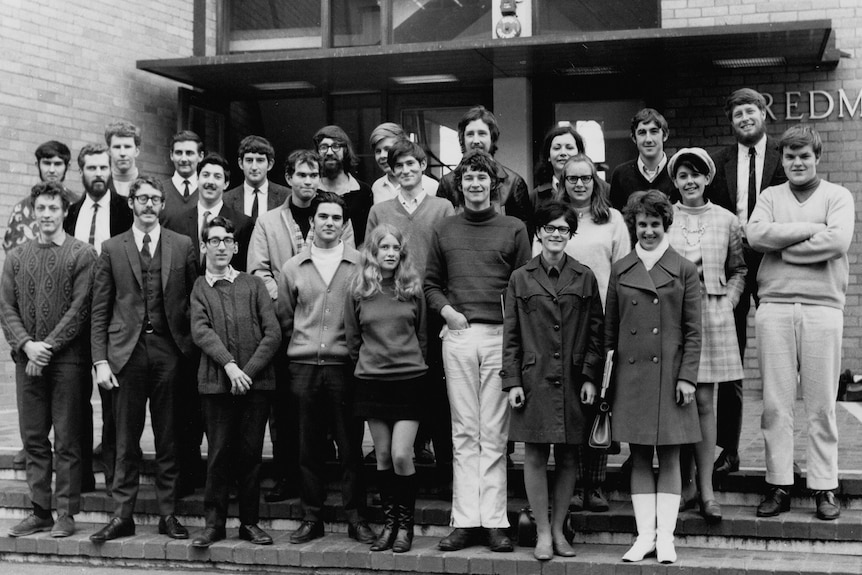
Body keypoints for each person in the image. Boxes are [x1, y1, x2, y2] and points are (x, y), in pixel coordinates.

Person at [424, 149, 531, 553]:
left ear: (493, 184)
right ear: (458, 185)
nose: (474, 184)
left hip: (500, 337)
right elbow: (431, 283)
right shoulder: (445, 229)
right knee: (464, 431)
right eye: (467, 178)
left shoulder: (515, 228)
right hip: (460, 333)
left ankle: (496, 522)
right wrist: (448, 313)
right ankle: (465, 520)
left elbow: (524, 287)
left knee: (495, 433)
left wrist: (512, 336)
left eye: (481, 178)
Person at [747, 125, 854, 521]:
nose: (796, 162)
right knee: (776, 403)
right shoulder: (770, 196)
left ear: (817, 157)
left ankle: (825, 487)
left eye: (804, 155)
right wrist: (811, 230)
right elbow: (756, 234)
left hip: (823, 308)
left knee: (821, 403)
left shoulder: (837, 196)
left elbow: (838, 242)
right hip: (774, 306)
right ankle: (779, 484)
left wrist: (786, 250)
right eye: (789, 156)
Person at [89, 176, 198, 542]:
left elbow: (191, 302)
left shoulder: (182, 245)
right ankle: (123, 515)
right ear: (132, 203)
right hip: (126, 354)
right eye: (142, 198)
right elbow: (100, 310)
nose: (149, 204)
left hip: (170, 352)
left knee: (169, 438)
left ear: (162, 205)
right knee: (125, 440)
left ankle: (168, 515)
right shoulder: (111, 248)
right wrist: (100, 361)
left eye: (155, 199)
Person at [247, 150, 355, 503]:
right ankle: (288, 478)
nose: (308, 181)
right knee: (288, 415)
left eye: (314, 176)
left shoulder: (336, 213)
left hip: (333, 332)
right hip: (285, 327)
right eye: (302, 175)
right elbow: (259, 271)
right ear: (289, 178)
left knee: (334, 424)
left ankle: (337, 492)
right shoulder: (269, 221)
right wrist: (291, 293)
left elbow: (349, 272)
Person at [503, 201, 604, 561]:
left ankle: (560, 529)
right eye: (550, 228)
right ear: (539, 232)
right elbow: (511, 334)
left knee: (567, 457)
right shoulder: (521, 278)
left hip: (574, 379)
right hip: (534, 378)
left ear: (571, 234)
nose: (556, 235)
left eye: (563, 229)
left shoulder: (585, 276)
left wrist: (592, 376)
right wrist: (512, 381)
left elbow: (596, 332)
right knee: (533, 454)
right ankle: (542, 533)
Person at [606, 190, 702, 564]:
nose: (648, 231)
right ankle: (644, 536)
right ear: (634, 226)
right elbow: (611, 332)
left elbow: (693, 331)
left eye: (655, 225)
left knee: (672, 457)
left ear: (666, 226)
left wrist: (687, 378)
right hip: (632, 379)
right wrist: (608, 383)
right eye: (642, 224)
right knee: (640, 457)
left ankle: (666, 539)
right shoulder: (621, 269)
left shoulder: (683, 268)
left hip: (671, 377)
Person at [0, 182, 97, 539]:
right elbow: (6, 306)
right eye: (40, 208)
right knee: (34, 438)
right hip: (27, 361)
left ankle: (66, 513)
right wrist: (27, 346)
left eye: (53, 208)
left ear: (64, 211)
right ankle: (40, 510)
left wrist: (48, 346)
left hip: (68, 362)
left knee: (68, 439)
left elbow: (80, 308)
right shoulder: (16, 256)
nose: (46, 215)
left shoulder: (82, 254)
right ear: (33, 210)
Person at [277, 192, 374, 545]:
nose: (329, 223)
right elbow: (286, 317)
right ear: (312, 222)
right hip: (303, 367)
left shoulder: (361, 263)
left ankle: (356, 517)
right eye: (323, 217)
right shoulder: (293, 267)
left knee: (350, 447)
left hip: (343, 367)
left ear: (344, 224)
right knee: (309, 447)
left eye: (336, 217)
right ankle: (311, 517)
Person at [535, 154, 630, 512]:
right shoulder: (556, 218)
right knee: (573, 403)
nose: (579, 184)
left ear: (595, 181)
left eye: (585, 178)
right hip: (564, 322)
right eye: (571, 178)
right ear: (563, 180)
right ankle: (571, 484)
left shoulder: (613, 220)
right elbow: (539, 264)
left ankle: (596, 484)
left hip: (604, 318)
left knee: (600, 400)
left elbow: (623, 268)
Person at [705, 88, 787, 482]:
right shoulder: (718, 162)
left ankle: (783, 454)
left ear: (763, 113)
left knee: (780, 358)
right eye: (737, 113)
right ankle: (728, 449)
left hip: (774, 263)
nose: (744, 118)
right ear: (731, 120)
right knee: (730, 358)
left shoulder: (783, 157)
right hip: (733, 264)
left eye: (750, 111)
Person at [365, 138, 455, 480]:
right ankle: (409, 456)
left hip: (431, 307)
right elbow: (370, 259)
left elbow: (449, 259)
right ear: (392, 170)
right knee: (401, 387)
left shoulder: (442, 207)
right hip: (393, 311)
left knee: (437, 388)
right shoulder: (380, 211)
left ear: (422, 168)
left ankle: (443, 469)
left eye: (411, 165)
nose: (405, 171)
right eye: (398, 165)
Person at [189, 216, 282, 548]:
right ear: (204, 246)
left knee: (250, 456)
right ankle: (214, 524)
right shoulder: (200, 287)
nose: (221, 247)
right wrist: (230, 367)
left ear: (236, 246)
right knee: (217, 455)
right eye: (214, 241)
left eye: (227, 240)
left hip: (255, 386)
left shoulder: (253, 284)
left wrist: (249, 372)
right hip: (217, 386)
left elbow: (272, 334)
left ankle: (250, 523)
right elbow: (201, 332)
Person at [666, 148, 746, 524]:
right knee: (679, 399)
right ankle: (685, 485)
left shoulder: (727, 220)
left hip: (712, 316)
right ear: (675, 180)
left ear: (708, 178)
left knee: (702, 400)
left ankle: (707, 487)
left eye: (696, 174)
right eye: (683, 175)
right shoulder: (666, 217)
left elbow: (739, 269)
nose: (690, 181)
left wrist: (728, 301)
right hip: (673, 316)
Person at [345, 224, 428, 553]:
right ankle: (389, 525)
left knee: (400, 454)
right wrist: (369, 363)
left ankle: (406, 527)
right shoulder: (359, 289)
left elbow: (422, 336)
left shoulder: (412, 288)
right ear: (373, 253)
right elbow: (353, 339)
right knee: (381, 456)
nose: (391, 253)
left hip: (409, 382)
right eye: (384, 248)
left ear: (402, 253)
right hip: (372, 382)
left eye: (396, 248)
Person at [64, 143, 134, 495]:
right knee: (75, 398)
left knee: (112, 401)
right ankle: (81, 477)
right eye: (91, 168)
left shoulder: (125, 211)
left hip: (113, 316)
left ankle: (112, 477)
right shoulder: (71, 212)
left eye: (103, 168)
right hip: (76, 315)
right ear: (82, 172)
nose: (98, 174)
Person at [436, 106, 533, 234]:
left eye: (482, 133)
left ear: (492, 138)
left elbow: (523, 234)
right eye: (470, 134)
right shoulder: (447, 183)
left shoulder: (514, 183)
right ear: (462, 139)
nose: (476, 141)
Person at [164, 153, 254, 273]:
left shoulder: (243, 224)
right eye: (205, 175)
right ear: (197, 179)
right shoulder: (177, 222)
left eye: (217, 177)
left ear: (226, 184)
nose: (210, 181)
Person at [4, 140, 74, 253]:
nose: (52, 170)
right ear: (38, 165)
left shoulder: (77, 204)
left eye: (57, 164)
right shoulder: (22, 209)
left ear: (67, 166)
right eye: (47, 163)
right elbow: (12, 253)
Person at [314, 125, 374, 246]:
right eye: (324, 147)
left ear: (345, 150)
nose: (329, 152)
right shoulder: (312, 190)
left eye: (336, 146)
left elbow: (368, 237)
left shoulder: (363, 191)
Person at [609, 108, 679, 211]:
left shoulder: (677, 171)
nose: (648, 139)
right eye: (642, 133)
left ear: (665, 135)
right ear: (634, 138)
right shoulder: (620, 174)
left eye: (654, 131)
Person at [223, 135, 290, 221]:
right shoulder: (227, 199)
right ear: (240, 163)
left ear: (270, 164)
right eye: (249, 160)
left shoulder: (285, 197)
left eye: (260, 160)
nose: (254, 167)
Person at [369, 122, 438, 204]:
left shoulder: (430, 186)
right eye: (378, 151)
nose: (382, 155)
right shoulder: (377, 187)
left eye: (387, 149)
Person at [531, 125, 586, 212]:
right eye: (557, 148)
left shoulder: (601, 190)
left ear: (580, 154)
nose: (563, 153)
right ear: (548, 156)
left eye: (569, 148)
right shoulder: (535, 197)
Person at [162, 130, 205, 217]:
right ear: (171, 155)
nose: (184, 159)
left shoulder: (208, 192)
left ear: (200, 156)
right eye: (179, 153)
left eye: (189, 153)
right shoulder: (159, 190)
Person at [104, 121, 141, 197]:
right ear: (109, 151)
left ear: (136, 151)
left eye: (127, 147)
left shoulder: (150, 188)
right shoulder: (100, 187)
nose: (122, 153)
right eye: (117, 147)